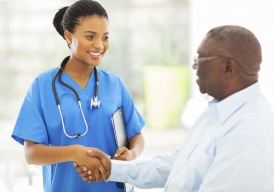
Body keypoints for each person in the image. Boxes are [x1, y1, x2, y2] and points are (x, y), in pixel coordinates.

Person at [76, 25, 274, 192]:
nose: (195, 67)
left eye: (200, 60)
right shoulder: (216, 112)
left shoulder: (249, 132)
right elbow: (176, 165)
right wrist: (111, 168)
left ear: (228, 67)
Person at [11, 0, 145, 192]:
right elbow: (31, 153)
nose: (99, 45)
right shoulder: (43, 85)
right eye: (90, 37)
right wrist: (74, 152)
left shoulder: (114, 84)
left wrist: (131, 155)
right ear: (68, 36)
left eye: (105, 37)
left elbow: (137, 135)